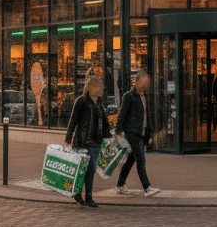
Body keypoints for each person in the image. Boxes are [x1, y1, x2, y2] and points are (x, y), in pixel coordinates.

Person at [63, 75, 109, 208]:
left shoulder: (99, 102)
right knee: (81, 170)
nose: (100, 89)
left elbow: (104, 121)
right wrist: (68, 140)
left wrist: (109, 136)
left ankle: (89, 197)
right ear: (90, 87)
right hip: (83, 142)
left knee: (91, 170)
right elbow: (73, 121)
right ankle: (77, 193)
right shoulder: (81, 101)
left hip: (96, 142)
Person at [114, 70, 160, 197]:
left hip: (142, 133)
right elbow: (122, 115)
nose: (146, 84)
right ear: (137, 81)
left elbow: (148, 115)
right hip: (132, 133)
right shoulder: (129, 96)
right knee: (141, 159)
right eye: (144, 82)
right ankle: (147, 188)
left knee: (131, 160)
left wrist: (151, 131)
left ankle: (120, 185)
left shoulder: (146, 96)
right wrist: (117, 132)